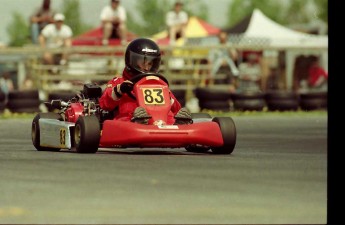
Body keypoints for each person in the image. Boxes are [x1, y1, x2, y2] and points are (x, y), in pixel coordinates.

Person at [99, 38, 192, 125]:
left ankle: (179, 125)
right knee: (126, 118)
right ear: (132, 61)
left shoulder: (158, 84)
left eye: (150, 63)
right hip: (129, 119)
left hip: (161, 120)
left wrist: (169, 98)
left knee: (171, 118)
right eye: (143, 62)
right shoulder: (119, 81)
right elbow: (104, 104)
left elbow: (177, 109)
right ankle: (139, 122)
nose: (147, 67)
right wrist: (119, 91)